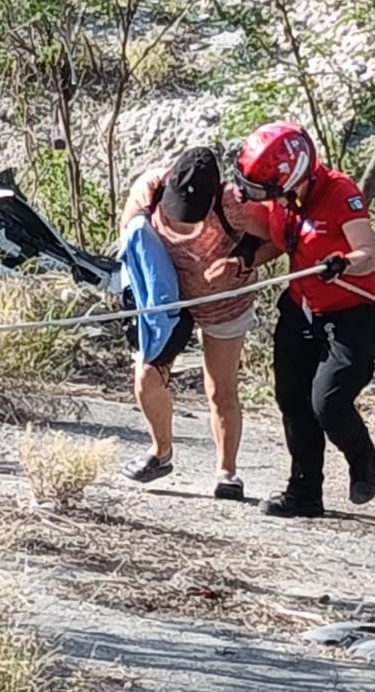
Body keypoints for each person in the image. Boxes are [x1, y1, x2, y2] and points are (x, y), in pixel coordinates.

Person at [236, 121, 375, 518]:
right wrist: (245, 260)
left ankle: (361, 457)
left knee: (329, 403)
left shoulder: (340, 193)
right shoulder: (283, 200)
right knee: (292, 399)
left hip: (353, 312)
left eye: (267, 191)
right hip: (300, 307)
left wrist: (342, 264)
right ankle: (304, 493)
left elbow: (368, 254)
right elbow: (280, 240)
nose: (263, 198)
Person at [117, 146, 278, 501]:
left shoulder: (234, 204)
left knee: (220, 390)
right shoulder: (149, 190)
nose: (182, 221)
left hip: (225, 302)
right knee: (146, 377)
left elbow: (276, 239)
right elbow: (130, 237)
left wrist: (240, 262)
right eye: (176, 211)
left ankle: (227, 473)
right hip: (170, 302)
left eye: (192, 214)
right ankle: (160, 452)